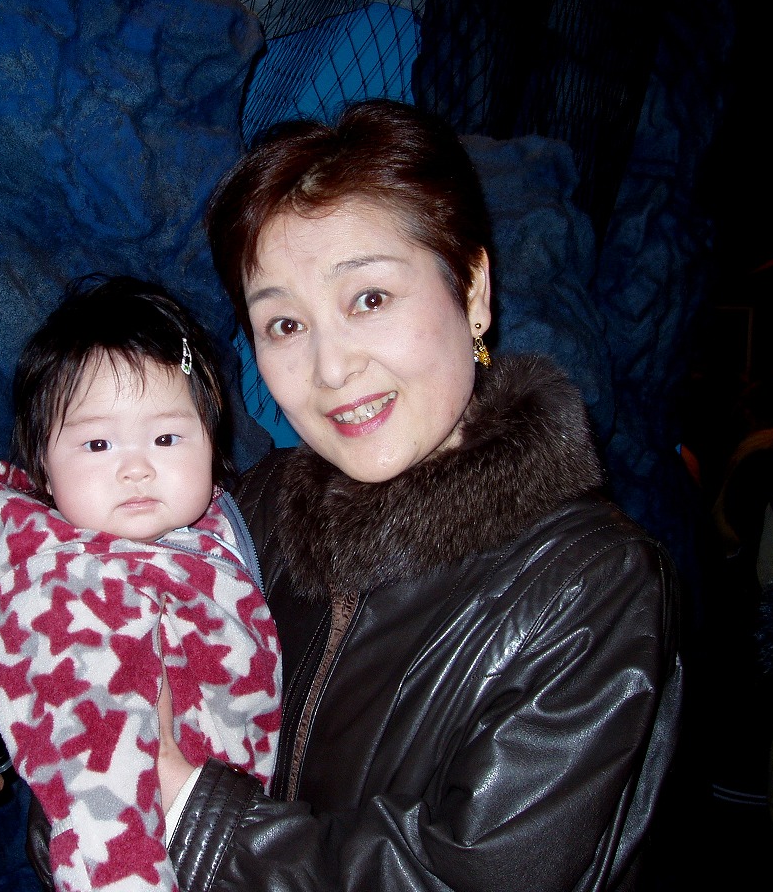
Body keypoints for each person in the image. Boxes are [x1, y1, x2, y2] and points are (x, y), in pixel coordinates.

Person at [133, 100, 683, 891]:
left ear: (473, 290)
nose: (330, 369)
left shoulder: (590, 585)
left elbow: (472, 877)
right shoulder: (249, 516)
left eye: (370, 299)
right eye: (284, 324)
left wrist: (191, 818)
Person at [0, 275, 281, 892]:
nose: (137, 467)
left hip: (233, 846)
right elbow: (96, 801)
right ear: (43, 468)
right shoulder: (63, 594)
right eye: (97, 443)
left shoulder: (198, 539)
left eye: (167, 437)